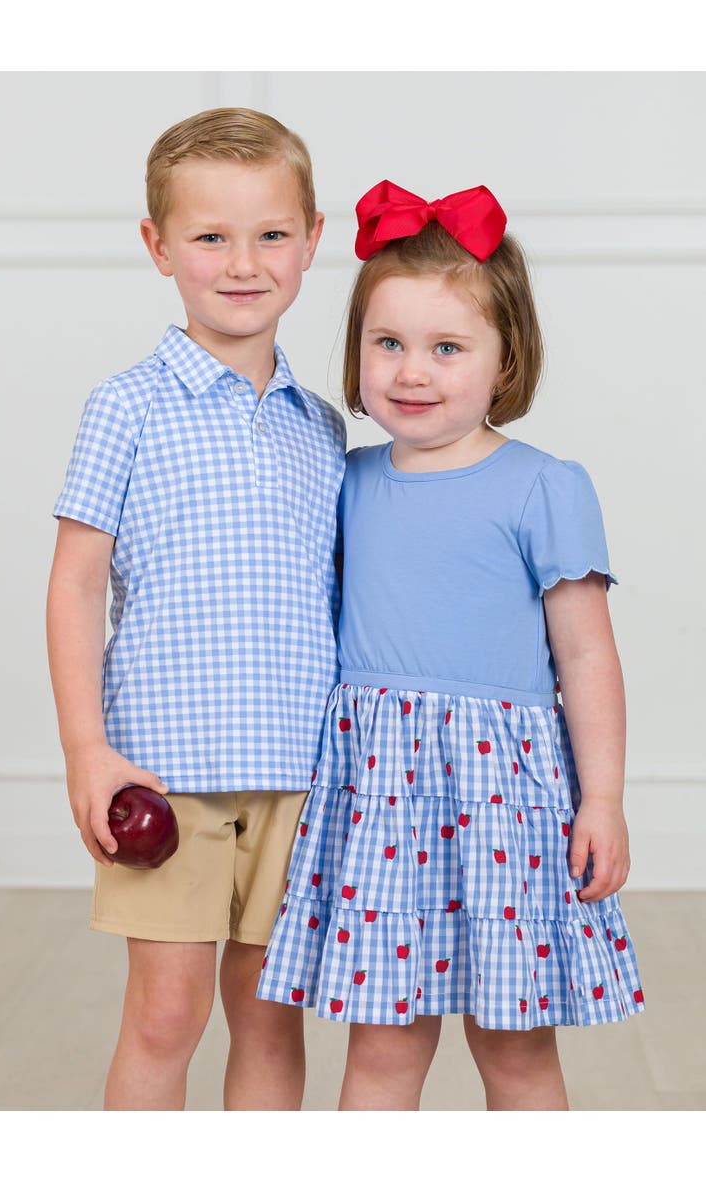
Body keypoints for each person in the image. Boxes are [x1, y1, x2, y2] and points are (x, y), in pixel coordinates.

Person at [256, 180, 644, 1111]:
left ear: (505, 362)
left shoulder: (542, 485)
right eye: (387, 343)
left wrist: (604, 799)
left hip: (502, 797)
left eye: (447, 347)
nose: (411, 371)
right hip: (378, 797)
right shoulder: (343, 477)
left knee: (514, 1053)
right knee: (382, 1051)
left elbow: (587, 656)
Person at [46, 107, 346, 1110]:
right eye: (211, 235)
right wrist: (89, 749)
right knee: (167, 1015)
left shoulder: (323, 428)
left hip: (299, 768)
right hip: (164, 772)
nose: (243, 261)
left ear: (312, 238)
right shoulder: (126, 405)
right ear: (159, 246)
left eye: (269, 233)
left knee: (270, 1012)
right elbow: (77, 582)